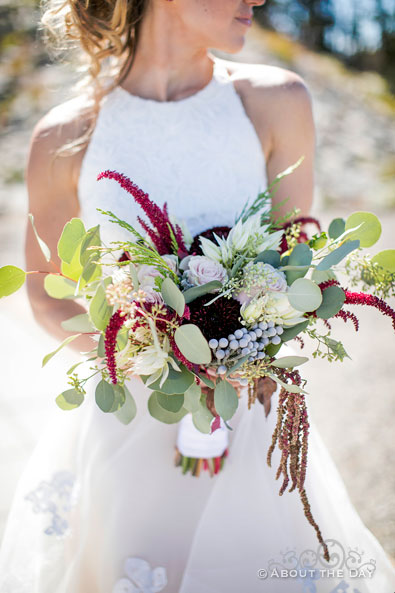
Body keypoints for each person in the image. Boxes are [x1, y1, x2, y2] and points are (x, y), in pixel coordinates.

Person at [0, 1, 394, 591]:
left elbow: (298, 266)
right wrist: (157, 354)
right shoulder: (66, 135)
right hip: (127, 426)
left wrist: (242, 354)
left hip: (252, 422)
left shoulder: (277, 102)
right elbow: (47, 298)